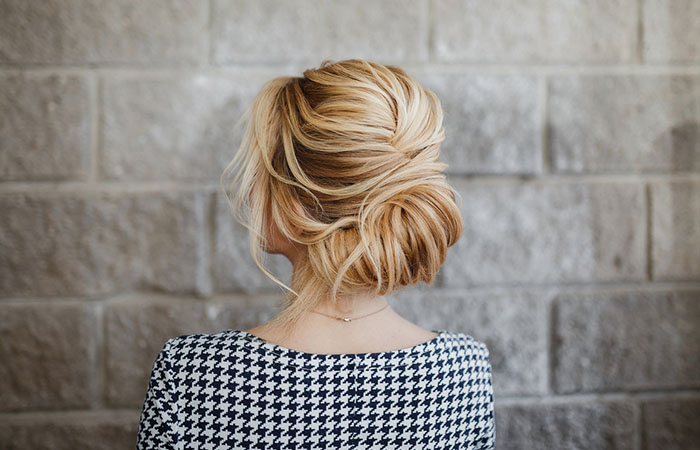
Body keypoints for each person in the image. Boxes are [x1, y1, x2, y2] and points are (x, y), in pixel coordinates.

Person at [136, 58, 495, 449]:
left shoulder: (194, 376)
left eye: (259, 170)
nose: (251, 190)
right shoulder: (462, 371)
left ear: (297, 203)